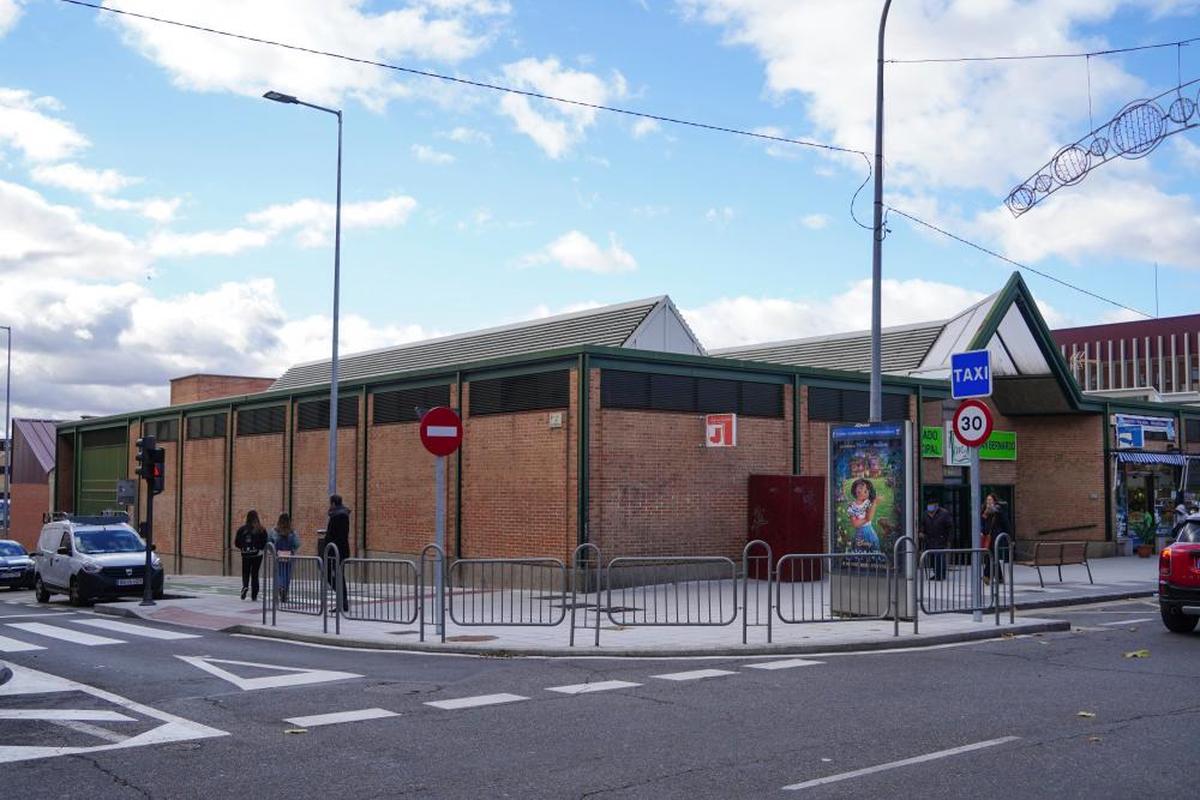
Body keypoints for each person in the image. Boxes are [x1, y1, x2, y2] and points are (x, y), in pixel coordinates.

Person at [234, 510, 268, 601]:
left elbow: (236, 542)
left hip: (245, 554)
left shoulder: (242, 529)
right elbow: (265, 541)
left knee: (245, 572)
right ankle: (254, 594)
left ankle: (245, 586)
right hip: (257, 554)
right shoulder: (261, 529)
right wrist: (259, 547)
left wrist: (243, 547)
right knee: (255, 573)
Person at [325, 494, 351, 612]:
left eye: (330, 503)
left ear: (333, 503)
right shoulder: (343, 514)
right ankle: (343, 601)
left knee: (330, 574)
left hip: (335, 550)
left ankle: (342, 599)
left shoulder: (336, 516)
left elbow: (332, 535)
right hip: (342, 550)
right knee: (340, 576)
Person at [920, 496, 955, 580]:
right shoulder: (925, 514)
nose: (930, 507)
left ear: (936, 505)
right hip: (930, 540)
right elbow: (923, 525)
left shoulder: (944, 514)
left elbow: (950, 527)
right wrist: (921, 533)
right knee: (932, 558)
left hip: (941, 539)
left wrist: (949, 540)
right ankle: (936, 573)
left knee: (940, 558)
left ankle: (941, 575)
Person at [269, 513, 300, 604]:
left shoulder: (274, 531)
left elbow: (269, 541)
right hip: (289, 556)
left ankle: (281, 587)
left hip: (278, 555)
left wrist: (273, 551)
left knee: (279, 573)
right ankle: (285, 593)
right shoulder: (292, 532)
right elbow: (297, 544)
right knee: (287, 574)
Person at [847, 478, 880, 552]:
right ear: (855, 491)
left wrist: (874, 503)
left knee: (872, 547)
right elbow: (855, 524)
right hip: (859, 534)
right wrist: (866, 519)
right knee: (860, 550)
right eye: (860, 489)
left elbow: (870, 517)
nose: (862, 492)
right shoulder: (851, 506)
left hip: (869, 531)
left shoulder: (868, 503)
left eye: (866, 491)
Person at [983, 494, 1010, 585]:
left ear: (994, 501)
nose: (989, 502)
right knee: (992, 556)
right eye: (987, 500)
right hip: (988, 537)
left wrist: (1009, 537)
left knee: (992, 556)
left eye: (990, 500)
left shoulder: (998, 510)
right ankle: (999, 578)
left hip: (996, 537)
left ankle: (986, 575)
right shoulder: (985, 511)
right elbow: (983, 523)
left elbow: (1005, 523)